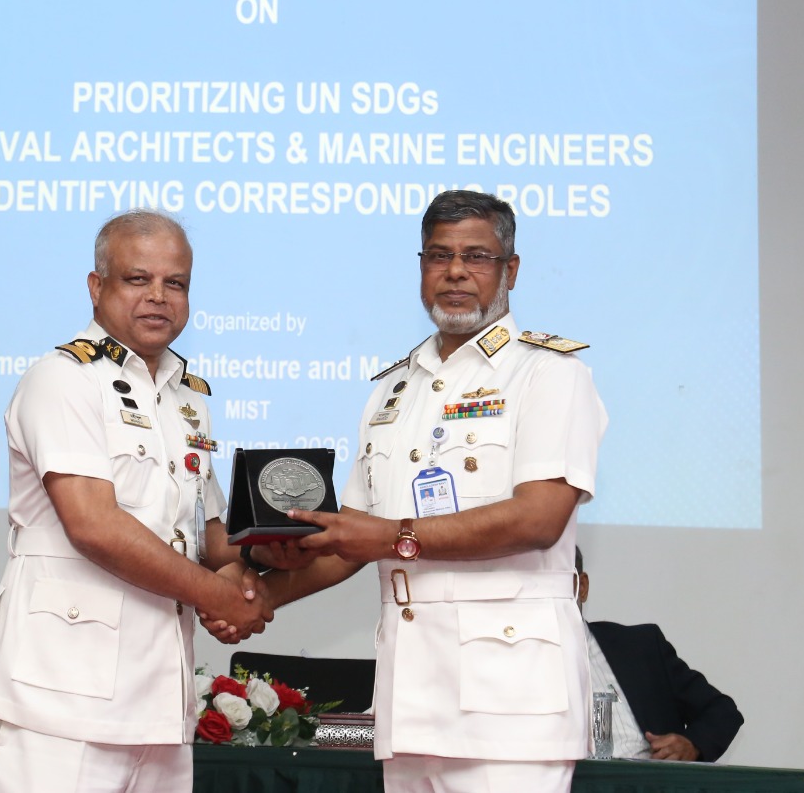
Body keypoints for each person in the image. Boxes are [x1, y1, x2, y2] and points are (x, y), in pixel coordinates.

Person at [258, 189, 606, 793]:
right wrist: (257, 593)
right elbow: (350, 539)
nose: (455, 272)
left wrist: (390, 537)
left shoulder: (550, 374)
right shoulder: (394, 390)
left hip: (511, 701)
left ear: (511, 270)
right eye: (439, 255)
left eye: (477, 257)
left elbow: (538, 519)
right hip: (410, 699)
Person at [0, 209, 275, 793]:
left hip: (158, 698)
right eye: (138, 279)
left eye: (175, 283)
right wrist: (218, 594)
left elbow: (207, 533)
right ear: (97, 287)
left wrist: (262, 562)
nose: (158, 296)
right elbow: (95, 526)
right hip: (63, 696)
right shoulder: (63, 379)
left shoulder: (187, 400)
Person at [576, 547, 743, 762]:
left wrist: (692, 745)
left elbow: (722, 712)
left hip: (650, 777)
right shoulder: (530, 665)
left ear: (582, 587)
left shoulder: (640, 647)